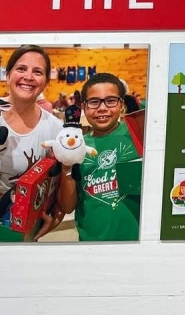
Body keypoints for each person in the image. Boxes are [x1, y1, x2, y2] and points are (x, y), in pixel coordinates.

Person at [44, 73, 144, 242]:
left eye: (110, 101)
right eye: (94, 102)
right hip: (92, 240)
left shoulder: (138, 135)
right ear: (83, 106)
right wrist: (67, 166)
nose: (102, 108)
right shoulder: (77, 146)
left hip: (136, 239)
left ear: (121, 104)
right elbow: (68, 207)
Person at [0, 46, 64, 243]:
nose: (28, 77)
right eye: (21, 69)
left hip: (24, 232)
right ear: (8, 75)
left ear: (46, 82)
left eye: (37, 72)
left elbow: (59, 184)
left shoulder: (56, 129)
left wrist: (55, 218)